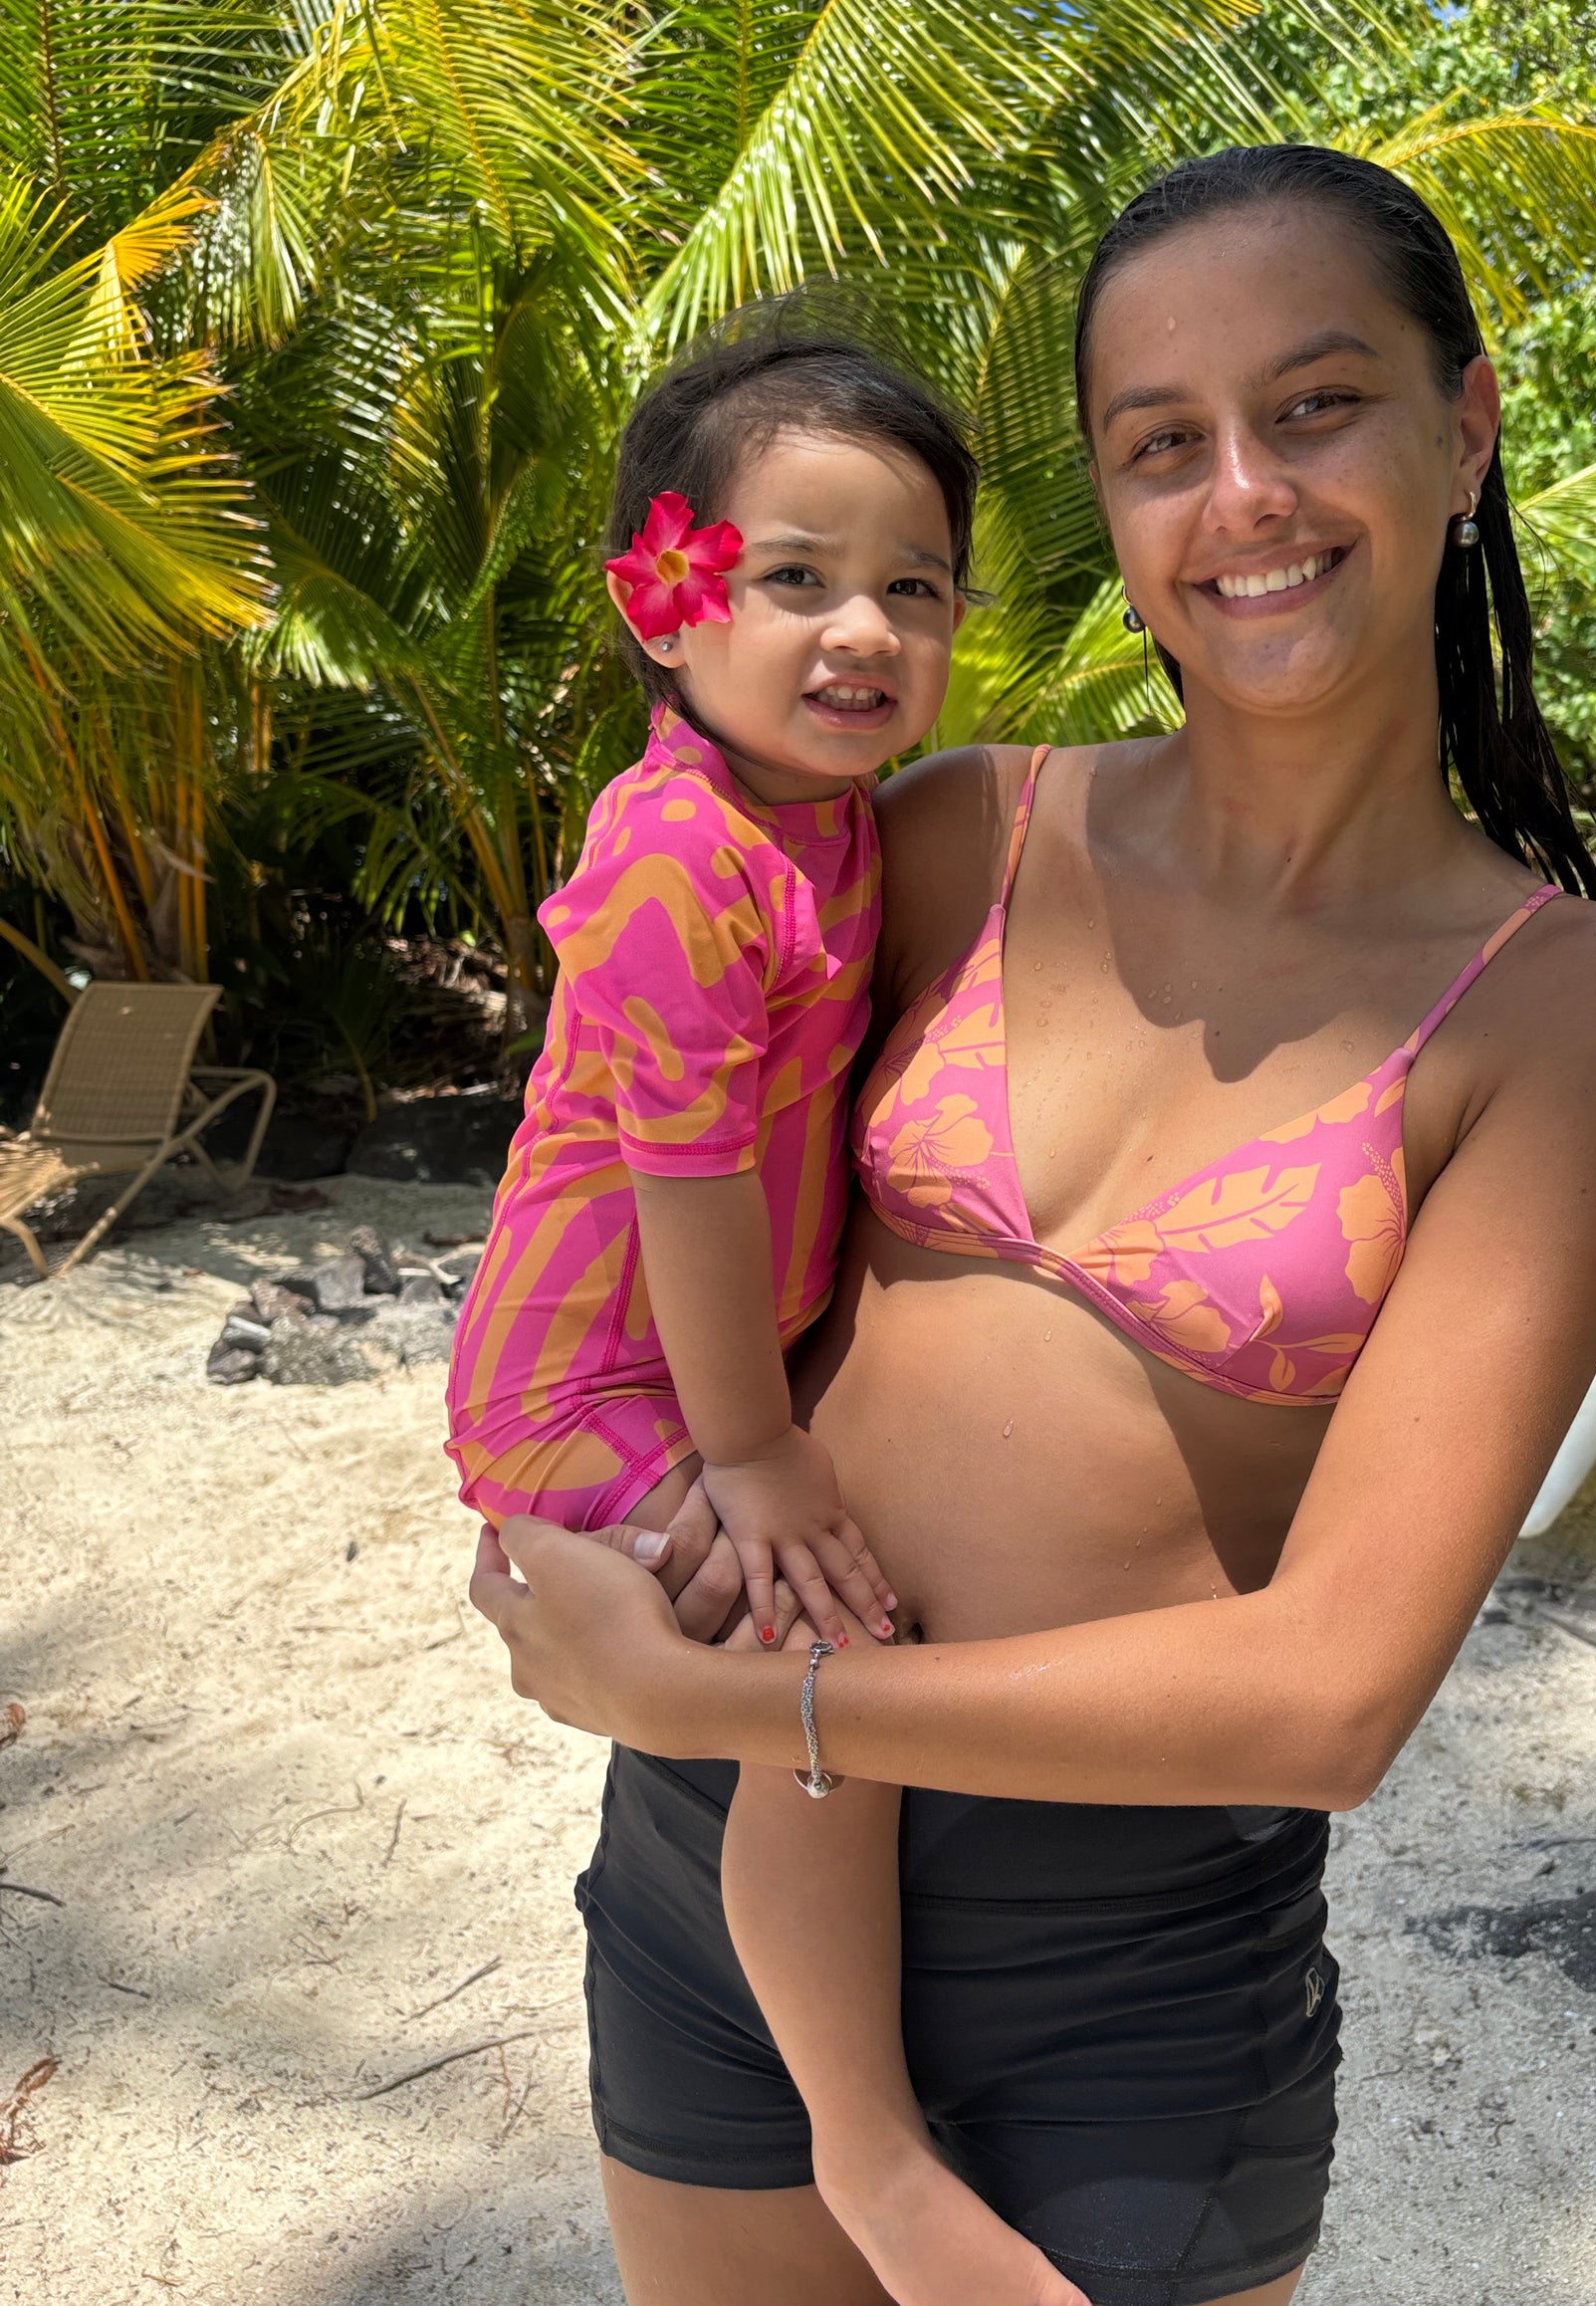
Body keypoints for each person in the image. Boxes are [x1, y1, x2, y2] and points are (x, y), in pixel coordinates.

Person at [470, 144, 1596, 2306]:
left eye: (1311, 404)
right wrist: (580, 1481)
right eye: (1160, 444)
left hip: (1117, 1966)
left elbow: (1327, 1692)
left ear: (1465, 423)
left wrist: (781, 1695)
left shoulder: (1564, 1010)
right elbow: (644, 1101)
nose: (1240, 491)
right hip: (717, 1866)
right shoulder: (948, 834)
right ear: (1115, 508)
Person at [447, 330, 1080, 2301]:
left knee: (817, 1653)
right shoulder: (676, 859)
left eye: (912, 586)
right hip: (594, 1380)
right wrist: (753, 1443)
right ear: (665, 595)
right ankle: (869, 2154)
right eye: (795, 576)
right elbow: (688, 1177)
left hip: (692, 1355)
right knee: (829, 1678)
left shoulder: (831, 819)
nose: (860, 627)